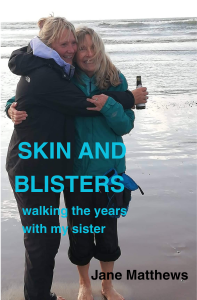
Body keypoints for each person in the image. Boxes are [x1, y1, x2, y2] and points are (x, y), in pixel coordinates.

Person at [6, 23, 148, 300]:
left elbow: (125, 126)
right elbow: (26, 96)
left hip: (109, 172)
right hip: (75, 173)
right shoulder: (64, 78)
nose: (85, 52)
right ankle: (85, 285)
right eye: (79, 47)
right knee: (80, 234)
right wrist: (9, 107)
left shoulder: (115, 78)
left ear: (101, 48)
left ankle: (107, 286)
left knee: (108, 235)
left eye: (90, 46)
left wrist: (113, 103)